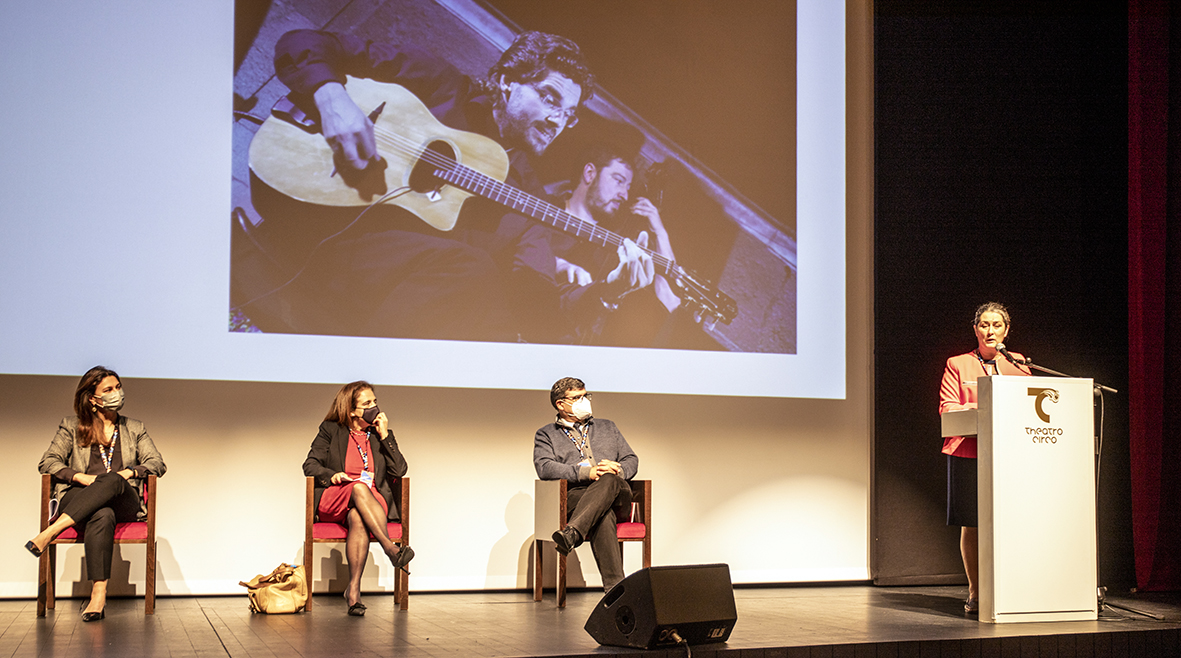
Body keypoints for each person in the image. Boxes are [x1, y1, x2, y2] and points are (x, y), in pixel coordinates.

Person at [245, 28, 650, 344]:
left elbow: (535, 296)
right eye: (548, 98)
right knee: (470, 269)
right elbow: (303, 42)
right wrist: (334, 101)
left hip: (363, 273)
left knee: (483, 295)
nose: (556, 120)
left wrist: (608, 291)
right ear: (508, 81)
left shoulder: (528, 198)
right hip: (303, 202)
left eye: (568, 114)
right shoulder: (438, 83)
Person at [25, 366, 167, 622]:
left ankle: (49, 532)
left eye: (118, 387)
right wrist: (80, 477)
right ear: (92, 398)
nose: (117, 393)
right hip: (80, 497)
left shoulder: (134, 428)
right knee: (101, 513)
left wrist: (129, 474)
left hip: (124, 499)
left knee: (112, 479)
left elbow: (157, 463)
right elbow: (48, 462)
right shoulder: (72, 426)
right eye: (109, 389)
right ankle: (98, 595)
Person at [939, 302, 1031, 613]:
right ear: (976, 329)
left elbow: (1028, 404)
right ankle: (976, 591)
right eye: (984, 325)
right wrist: (982, 413)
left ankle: (1012, 587)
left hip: (1010, 453)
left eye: (996, 325)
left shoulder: (1018, 363)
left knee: (1011, 521)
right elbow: (948, 407)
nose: (990, 331)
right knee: (973, 524)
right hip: (967, 451)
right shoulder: (958, 363)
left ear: (1007, 330)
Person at [549, 145, 690, 345]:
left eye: (628, 188)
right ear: (590, 174)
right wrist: (557, 263)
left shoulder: (613, 245)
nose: (624, 195)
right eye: (619, 181)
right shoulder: (543, 207)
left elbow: (668, 295)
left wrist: (659, 231)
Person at [303, 381, 413, 616]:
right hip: (336, 496)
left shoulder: (378, 435)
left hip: (372, 502)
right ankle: (391, 549)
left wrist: (385, 436)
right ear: (352, 410)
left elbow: (400, 470)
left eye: (374, 401)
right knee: (358, 488)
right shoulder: (331, 430)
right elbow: (310, 465)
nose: (374, 406)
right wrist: (332, 475)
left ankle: (353, 593)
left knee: (358, 516)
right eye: (367, 403)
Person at [533, 377, 638, 591]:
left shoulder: (608, 427)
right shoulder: (546, 434)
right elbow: (544, 467)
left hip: (617, 494)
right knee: (602, 514)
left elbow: (631, 459)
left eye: (585, 396)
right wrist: (585, 472)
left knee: (608, 479)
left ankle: (572, 533)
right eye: (577, 398)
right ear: (560, 404)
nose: (584, 401)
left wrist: (618, 468)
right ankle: (616, 590)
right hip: (577, 497)